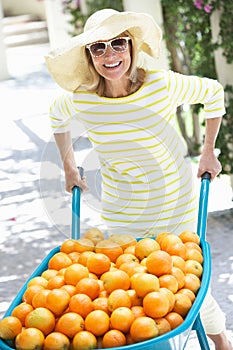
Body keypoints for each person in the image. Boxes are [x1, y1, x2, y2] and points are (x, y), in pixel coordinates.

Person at [45, 8, 232, 349]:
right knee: (129, 291)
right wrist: (69, 168)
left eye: (118, 43)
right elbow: (57, 117)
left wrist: (208, 151)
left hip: (176, 202)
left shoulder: (161, 85)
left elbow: (213, 93)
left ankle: (221, 342)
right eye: (98, 48)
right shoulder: (83, 100)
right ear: (89, 57)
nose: (110, 55)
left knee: (181, 282)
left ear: (132, 47)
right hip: (122, 209)